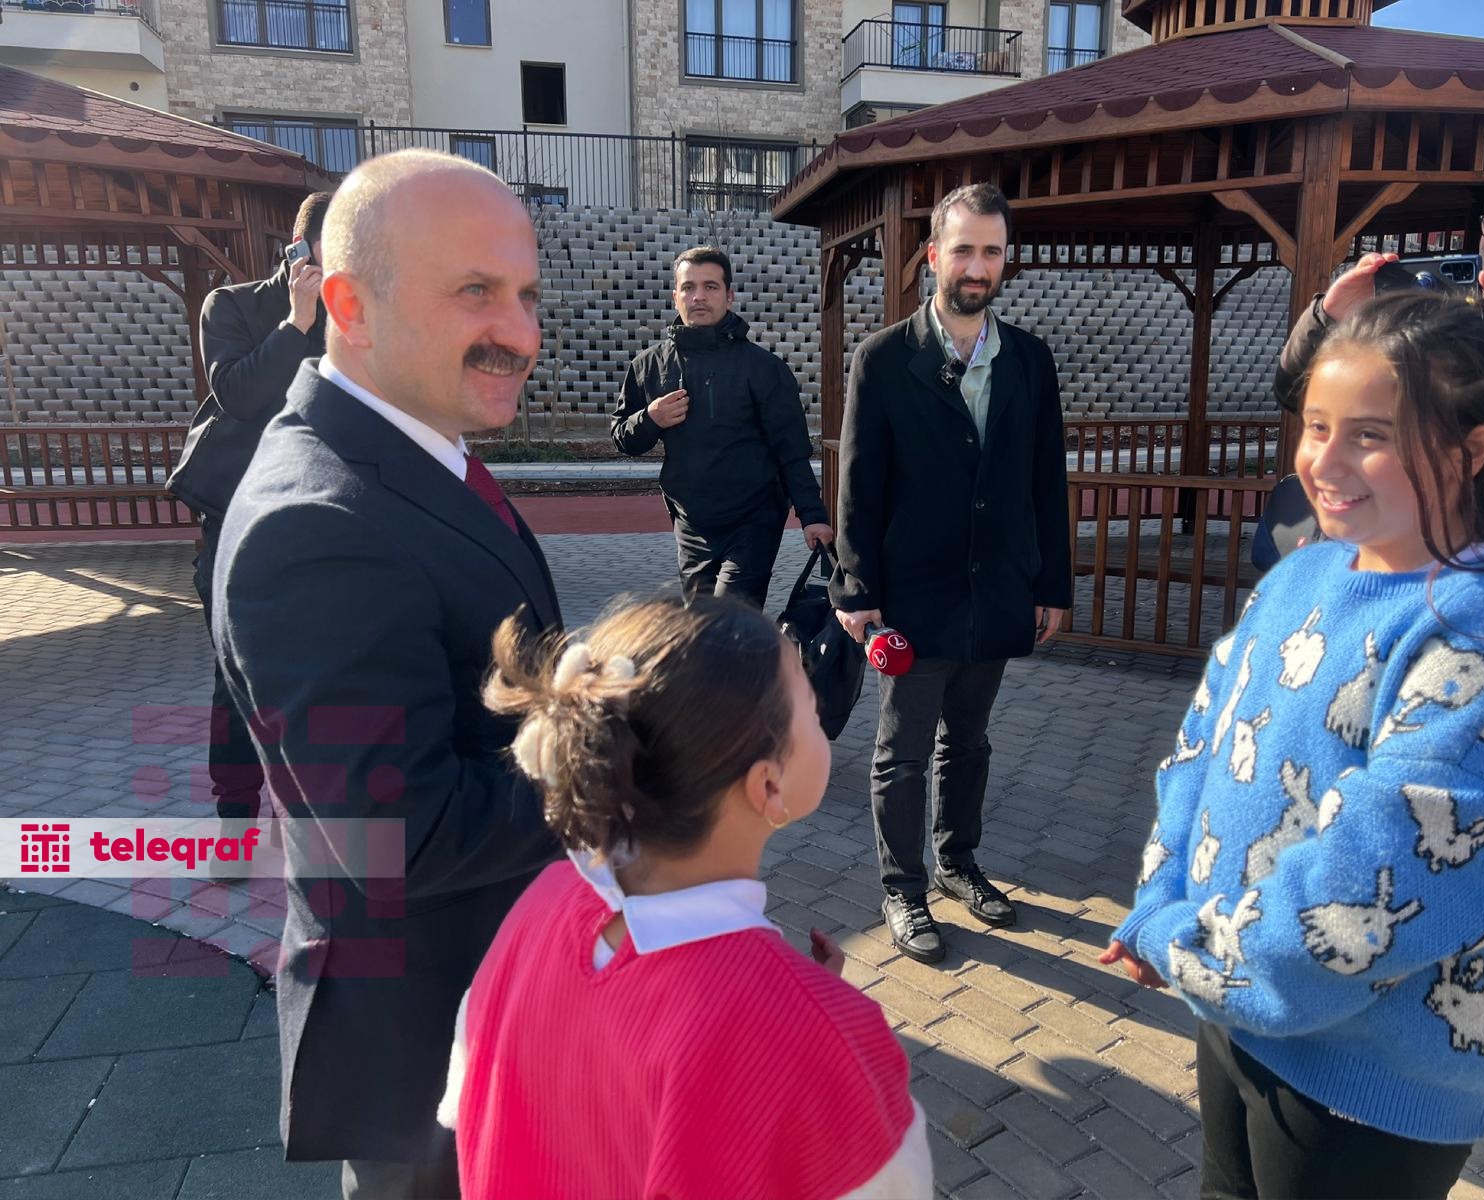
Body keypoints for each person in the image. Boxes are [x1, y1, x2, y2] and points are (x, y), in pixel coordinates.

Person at [1106, 292, 1484, 1199]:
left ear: (1470, 450)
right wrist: (1161, 899)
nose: (1324, 463)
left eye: (1369, 436)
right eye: (1317, 426)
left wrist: (1181, 944)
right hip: (1237, 1004)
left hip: (1368, 1073)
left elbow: (1386, 869)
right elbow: (1204, 743)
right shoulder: (1304, 571)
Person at [211, 149, 562, 1199]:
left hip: (483, 1005)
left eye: (526, 295)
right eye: (475, 292)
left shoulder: (413, 445)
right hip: (427, 1057)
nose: (521, 332)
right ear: (349, 306)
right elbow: (400, 833)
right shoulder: (315, 524)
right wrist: (634, 752)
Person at [1273, 149, 1484, 1137]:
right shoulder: (1437, 329)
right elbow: (1301, 388)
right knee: (1383, 828)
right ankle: (1371, 1006)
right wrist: (1331, 315)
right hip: (1408, 635)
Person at [439, 595, 931, 1199]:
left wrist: (783, 994)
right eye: (810, 704)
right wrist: (799, 1010)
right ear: (769, 786)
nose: (821, 710)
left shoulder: (543, 899)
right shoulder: (825, 1042)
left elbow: (472, 1105)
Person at [829, 183, 1072, 964]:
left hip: (995, 589)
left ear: (1006, 260)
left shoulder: (1029, 360)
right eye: (963, 249)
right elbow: (858, 484)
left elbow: (1047, 480)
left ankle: (958, 863)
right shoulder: (883, 359)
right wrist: (855, 588)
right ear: (933, 255)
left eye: (991, 251)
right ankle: (903, 888)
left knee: (968, 743)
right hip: (912, 595)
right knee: (902, 751)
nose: (977, 266)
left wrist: (1052, 584)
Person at [166, 190, 332, 832]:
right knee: (236, 670)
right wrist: (296, 322)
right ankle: (235, 812)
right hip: (237, 517)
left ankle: (316, 812)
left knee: (327, 667)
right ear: (299, 249)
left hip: (322, 517)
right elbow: (237, 393)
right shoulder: (231, 305)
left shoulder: (355, 319)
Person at [611, 246, 832, 607]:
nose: (698, 296)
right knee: (701, 626)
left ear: (729, 296)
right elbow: (622, 438)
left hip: (754, 521)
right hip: (691, 525)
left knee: (729, 622)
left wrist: (813, 516)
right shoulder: (648, 366)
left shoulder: (764, 369)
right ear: (675, 296)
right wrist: (649, 419)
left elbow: (791, 451)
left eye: (710, 286)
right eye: (689, 287)